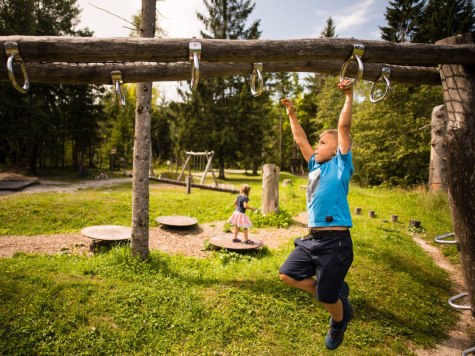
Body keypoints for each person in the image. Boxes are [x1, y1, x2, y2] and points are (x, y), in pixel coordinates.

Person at [279, 79, 355, 350]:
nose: (317, 145)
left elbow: (343, 127)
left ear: (335, 149)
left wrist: (348, 95)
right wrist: (292, 114)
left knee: (325, 299)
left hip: (335, 242)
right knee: (287, 274)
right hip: (313, 240)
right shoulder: (314, 166)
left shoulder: (340, 165)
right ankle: (334, 294)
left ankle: (338, 322)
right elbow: (300, 140)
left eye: (323, 142)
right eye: (319, 142)